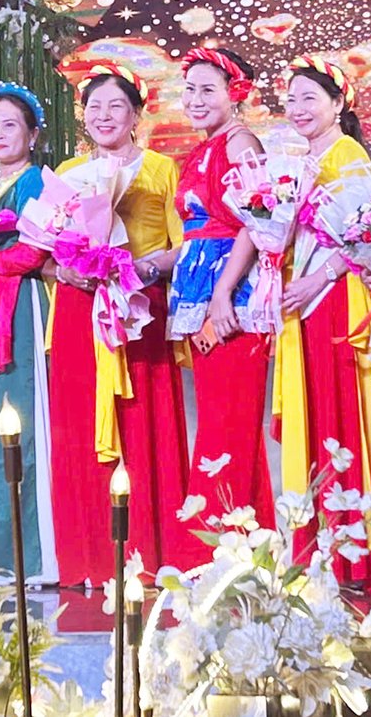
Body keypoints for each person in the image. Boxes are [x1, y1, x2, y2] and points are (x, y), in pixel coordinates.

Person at [49, 64, 196, 584]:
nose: (104, 115)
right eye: (95, 106)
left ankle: (150, 552)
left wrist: (145, 266)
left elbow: (187, 244)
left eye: (116, 106)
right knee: (80, 428)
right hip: (79, 311)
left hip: (138, 309)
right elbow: (49, 246)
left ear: (136, 114)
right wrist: (67, 268)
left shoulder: (162, 169)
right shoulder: (68, 173)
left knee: (142, 423)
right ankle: (87, 559)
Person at [143, 47, 274, 527]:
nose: (195, 100)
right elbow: (197, 235)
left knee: (229, 425)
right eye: (189, 90)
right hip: (201, 293)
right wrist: (149, 265)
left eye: (207, 90)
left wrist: (222, 292)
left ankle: (221, 539)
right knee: (219, 421)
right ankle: (246, 539)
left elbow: (258, 221)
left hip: (229, 299)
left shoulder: (240, 144)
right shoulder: (201, 150)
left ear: (235, 93)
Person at [274, 55, 371, 569]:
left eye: (309, 98)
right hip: (302, 299)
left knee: (340, 414)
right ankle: (318, 547)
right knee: (313, 414)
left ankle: (349, 548)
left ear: (338, 104)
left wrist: (317, 278)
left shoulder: (347, 153)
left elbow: (367, 231)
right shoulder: (299, 161)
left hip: (336, 296)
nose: (298, 108)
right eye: (291, 99)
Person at [0, 82, 58, 582]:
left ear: (33, 134)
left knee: (20, 420)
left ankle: (31, 555)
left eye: (11, 125)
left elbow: (35, 250)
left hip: (20, 307)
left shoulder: (36, 181)